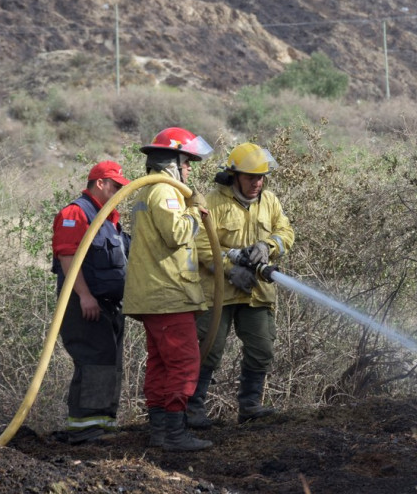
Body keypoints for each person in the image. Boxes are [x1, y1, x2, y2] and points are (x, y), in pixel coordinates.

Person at [123, 126, 215, 452]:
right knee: (184, 363)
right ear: (172, 161)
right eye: (186, 162)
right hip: (168, 296)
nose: (189, 169)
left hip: (157, 295)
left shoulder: (150, 192)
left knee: (161, 364)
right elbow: (177, 234)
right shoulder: (164, 192)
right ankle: (174, 434)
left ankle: (160, 433)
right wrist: (194, 209)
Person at [190, 142, 294, 427]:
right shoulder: (212, 202)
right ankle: (193, 409)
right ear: (234, 175)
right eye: (251, 177)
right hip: (218, 291)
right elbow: (199, 245)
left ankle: (250, 406)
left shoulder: (269, 201)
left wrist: (268, 245)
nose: (256, 183)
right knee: (208, 348)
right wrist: (229, 269)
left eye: (261, 177)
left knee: (262, 347)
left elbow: (286, 231)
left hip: (257, 292)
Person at [51, 160, 131, 444]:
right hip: (83, 303)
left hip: (109, 305)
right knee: (94, 360)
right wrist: (85, 295)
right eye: (116, 186)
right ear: (100, 183)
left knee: (110, 363)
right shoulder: (76, 213)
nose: (120, 191)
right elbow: (68, 257)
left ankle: (103, 424)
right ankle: (86, 429)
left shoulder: (109, 218)